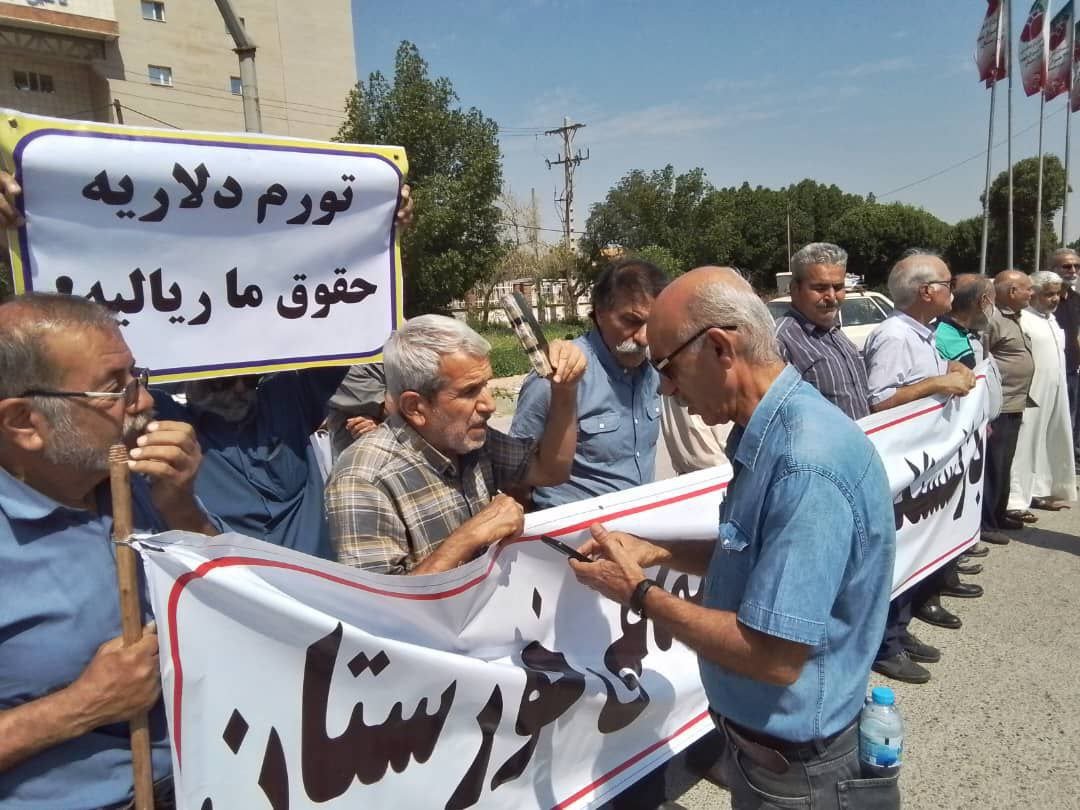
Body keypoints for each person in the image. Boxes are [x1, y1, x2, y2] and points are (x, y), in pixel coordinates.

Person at [570, 267, 898, 810]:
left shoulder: (803, 464)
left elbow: (773, 657)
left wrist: (638, 593)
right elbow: (754, 556)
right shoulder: (772, 432)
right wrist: (659, 551)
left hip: (804, 777)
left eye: (667, 368)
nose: (666, 390)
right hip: (776, 759)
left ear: (720, 347)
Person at [0, 171, 414, 561]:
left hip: (319, 605)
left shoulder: (287, 402)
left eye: (247, 377)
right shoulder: (159, 420)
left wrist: (380, 235)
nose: (237, 389)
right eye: (220, 380)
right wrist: (16, 239)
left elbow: (353, 321)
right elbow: (58, 331)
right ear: (190, 373)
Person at [0, 293, 220, 808]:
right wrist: (82, 706)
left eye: (136, 377)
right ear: (24, 423)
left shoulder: (143, 483)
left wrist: (183, 510)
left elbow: (238, 604)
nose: (143, 403)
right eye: (113, 389)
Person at [326, 314, 586, 575]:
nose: (490, 405)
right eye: (469, 391)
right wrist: (468, 538)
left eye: (486, 385)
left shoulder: (471, 441)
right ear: (415, 407)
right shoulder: (363, 479)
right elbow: (380, 607)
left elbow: (550, 470)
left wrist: (565, 390)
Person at [863, 252, 979, 684]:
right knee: (896, 554)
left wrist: (947, 370)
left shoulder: (923, 332)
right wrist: (937, 383)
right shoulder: (894, 335)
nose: (953, 290)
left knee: (915, 551)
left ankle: (900, 631)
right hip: (900, 468)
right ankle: (884, 644)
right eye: (947, 283)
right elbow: (879, 403)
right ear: (927, 291)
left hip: (922, 465)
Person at [511, 259, 666, 509]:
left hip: (638, 528)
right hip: (574, 538)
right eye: (631, 321)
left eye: (653, 322)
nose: (644, 337)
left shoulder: (652, 371)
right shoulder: (558, 375)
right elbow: (515, 474)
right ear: (600, 313)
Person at [933, 273, 1001, 569]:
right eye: (991, 301)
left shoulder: (969, 332)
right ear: (982, 301)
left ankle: (960, 546)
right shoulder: (942, 335)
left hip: (975, 427)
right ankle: (949, 559)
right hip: (954, 431)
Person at [774, 242, 871, 421]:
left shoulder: (835, 333)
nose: (832, 297)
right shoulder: (781, 341)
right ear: (795, 289)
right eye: (820, 288)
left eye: (838, 287)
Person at [1007, 271, 1077, 514]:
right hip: (1032, 392)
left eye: (1057, 293)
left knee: (1048, 441)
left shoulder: (1050, 319)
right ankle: (1015, 499)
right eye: (1049, 294)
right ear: (1033, 294)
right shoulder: (1023, 319)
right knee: (1025, 443)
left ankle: (1038, 490)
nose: (1055, 299)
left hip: (1055, 389)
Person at [984, 270, 1036, 532]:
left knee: (1005, 464)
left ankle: (999, 512)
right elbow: (982, 360)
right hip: (1000, 406)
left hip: (1015, 403)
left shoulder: (1014, 317)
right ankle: (987, 523)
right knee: (993, 466)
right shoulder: (992, 319)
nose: (1032, 293)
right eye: (1027, 288)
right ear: (1012, 292)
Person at [1047, 249, 1080, 468]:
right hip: (1052, 371)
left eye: (1076, 266)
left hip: (1074, 370)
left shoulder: (1077, 298)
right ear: (1053, 269)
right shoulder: (1042, 299)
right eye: (1066, 266)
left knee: (1074, 419)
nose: (1073, 271)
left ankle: (1073, 457)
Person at [325, 362, 388, 459]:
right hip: (366, 460)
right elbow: (401, 411)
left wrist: (384, 427)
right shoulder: (336, 364)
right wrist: (386, 428)